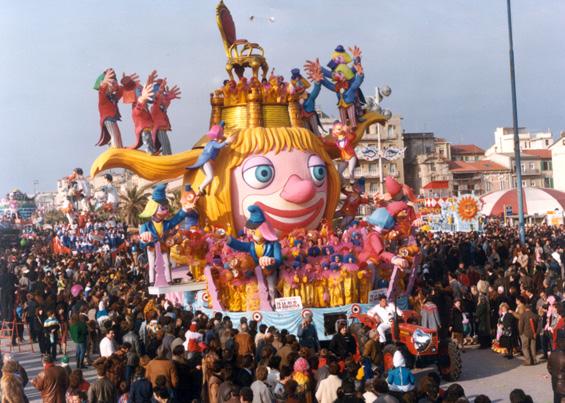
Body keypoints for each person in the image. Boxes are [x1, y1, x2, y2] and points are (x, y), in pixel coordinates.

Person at [518, 300, 538, 366]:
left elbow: (520, 325)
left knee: (525, 347)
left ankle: (528, 361)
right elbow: (537, 325)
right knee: (533, 347)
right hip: (533, 333)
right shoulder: (535, 315)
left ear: (525, 308)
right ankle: (534, 360)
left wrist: (520, 333)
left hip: (525, 333)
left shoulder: (523, 315)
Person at [547, 330, 565, 403]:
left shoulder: (553, 353)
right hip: (563, 387)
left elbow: (549, 368)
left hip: (555, 384)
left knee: (556, 400)